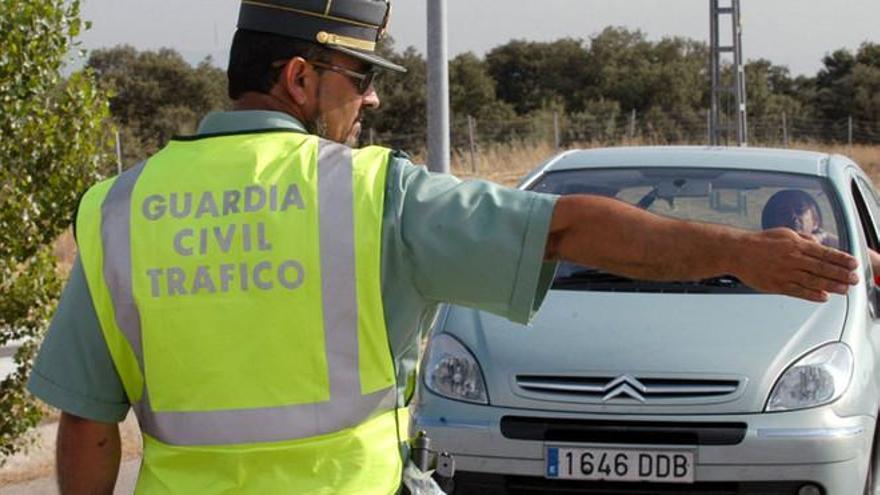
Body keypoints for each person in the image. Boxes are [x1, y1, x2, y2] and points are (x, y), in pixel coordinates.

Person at [28, 1, 859, 494]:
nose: (374, 96)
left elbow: (89, 424)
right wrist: (738, 252)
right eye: (361, 77)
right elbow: (567, 225)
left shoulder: (115, 210)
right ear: (299, 80)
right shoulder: (369, 194)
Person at [762, 188, 880, 275]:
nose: (793, 217)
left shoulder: (832, 251)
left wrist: (827, 239)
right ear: (770, 222)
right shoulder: (758, 254)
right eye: (784, 213)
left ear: (815, 221)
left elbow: (877, 265)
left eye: (800, 210)